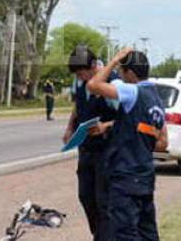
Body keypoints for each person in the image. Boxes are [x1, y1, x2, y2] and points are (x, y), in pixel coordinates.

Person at [87, 48, 168, 241]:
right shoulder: (157, 99)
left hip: (125, 177)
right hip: (145, 177)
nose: (121, 77)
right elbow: (162, 143)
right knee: (147, 232)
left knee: (124, 234)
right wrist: (111, 126)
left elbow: (93, 85)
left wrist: (114, 60)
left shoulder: (132, 91)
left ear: (129, 73)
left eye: (122, 73)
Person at [61, 46, 117, 241]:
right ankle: (100, 234)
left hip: (107, 150)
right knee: (85, 195)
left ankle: (104, 237)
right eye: (76, 74)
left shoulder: (112, 81)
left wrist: (105, 126)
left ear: (94, 66)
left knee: (103, 200)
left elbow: (126, 118)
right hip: (86, 148)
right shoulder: (79, 81)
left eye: (82, 73)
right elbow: (77, 106)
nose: (79, 77)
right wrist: (69, 128)